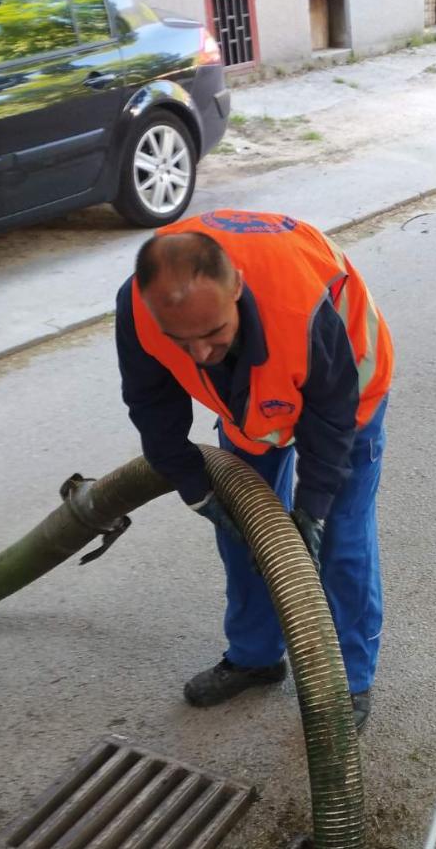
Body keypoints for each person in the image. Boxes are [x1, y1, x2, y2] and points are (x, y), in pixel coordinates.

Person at [115, 209, 393, 731]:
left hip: (347, 393)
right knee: (245, 529)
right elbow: (151, 403)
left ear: (237, 288)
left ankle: (348, 684)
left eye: (214, 333)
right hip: (251, 405)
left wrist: (311, 510)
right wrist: (196, 487)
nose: (199, 352)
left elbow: (330, 419)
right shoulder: (139, 307)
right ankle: (256, 655)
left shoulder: (299, 310)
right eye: (183, 339)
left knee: (340, 540)